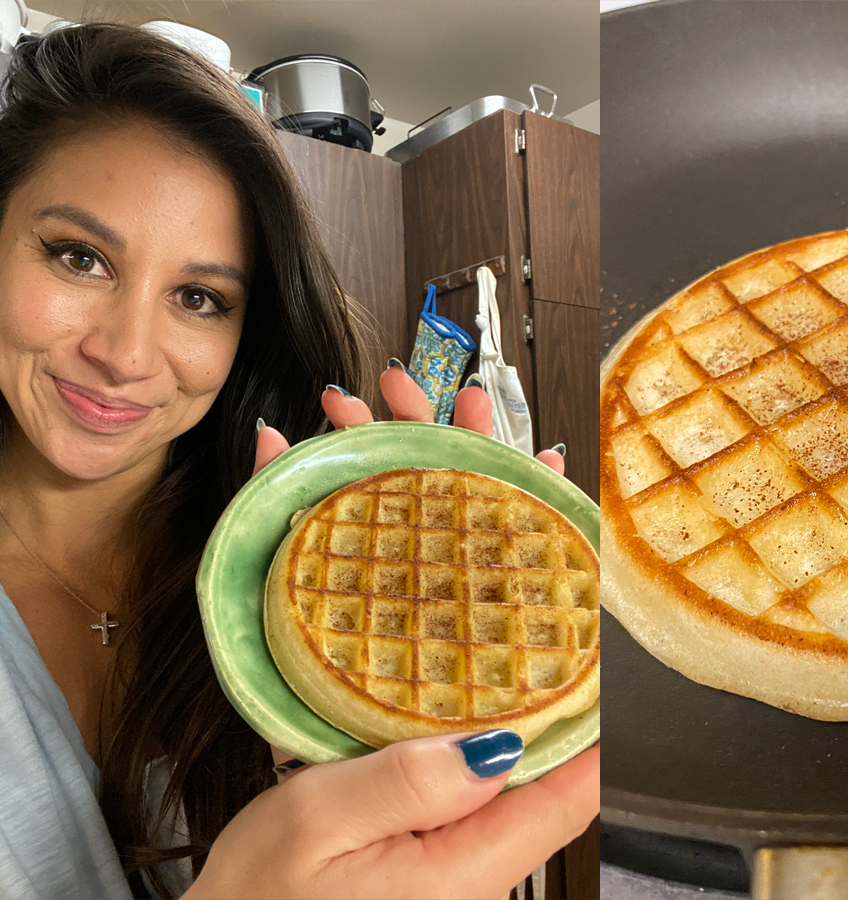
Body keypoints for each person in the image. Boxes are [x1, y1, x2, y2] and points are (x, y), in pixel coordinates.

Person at [0, 22, 597, 900]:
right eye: (78, 257)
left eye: (200, 297)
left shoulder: (292, 561)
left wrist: (463, 630)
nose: (127, 354)